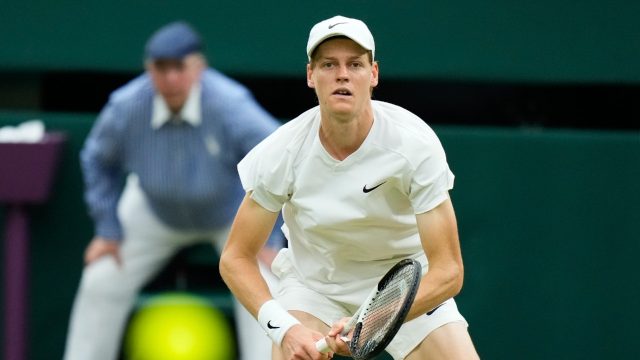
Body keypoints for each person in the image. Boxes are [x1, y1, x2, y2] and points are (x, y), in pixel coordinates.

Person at [219, 15, 480, 360]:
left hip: (403, 290)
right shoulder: (282, 151)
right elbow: (236, 258)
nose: (342, 74)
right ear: (311, 75)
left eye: (355, 64)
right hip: (313, 287)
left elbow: (448, 271)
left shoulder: (414, 145)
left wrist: (370, 321)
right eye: (329, 64)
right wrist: (284, 328)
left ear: (373, 75)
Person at [63, 21, 284, 360]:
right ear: (149, 70)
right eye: (160, 68)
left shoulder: (229, 104)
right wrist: (108, 229)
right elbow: (96, 159)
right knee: (101, 277)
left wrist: (269, 239)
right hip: (153, 209)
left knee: (265, 282)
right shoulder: (125, 107)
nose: (170, 79)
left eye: (178, 67)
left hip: (230, 213)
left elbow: (279, 155)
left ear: (198, 68)